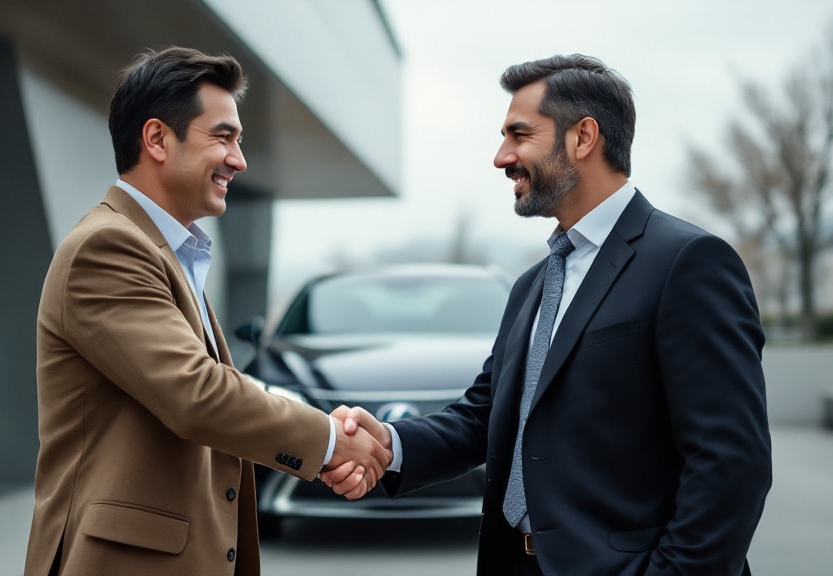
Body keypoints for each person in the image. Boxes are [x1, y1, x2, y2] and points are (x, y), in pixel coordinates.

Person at [324, 54, 772, 575]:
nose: (501, 157)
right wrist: (388, 443)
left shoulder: (688, 263)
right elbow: (484, 416)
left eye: (519, 134)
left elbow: (730, 464)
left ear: (583, 137)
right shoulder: (532, 285)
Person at [23, 46, 389, 576]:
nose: (239, 160)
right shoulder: (105, 248)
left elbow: (213, 388)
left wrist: (322, 428)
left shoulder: (166, 250)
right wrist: (330, 441)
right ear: (156, 139)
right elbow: (197, 394)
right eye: (223, 137)